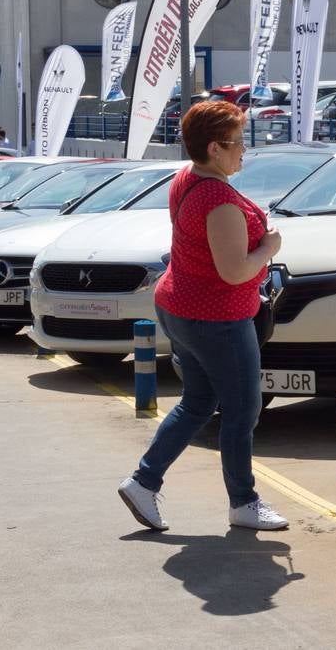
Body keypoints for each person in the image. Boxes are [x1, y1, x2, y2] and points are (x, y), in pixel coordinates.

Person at [118, 101, 288, 531]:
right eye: (237, 143)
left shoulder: (187, 177)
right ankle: (243, 502)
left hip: (180, 305)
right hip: (217, 318)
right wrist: (268, 248)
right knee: (242, 410)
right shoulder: (217, 198)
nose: (244, 151)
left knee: (198, 402)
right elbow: (234, 271)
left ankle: (143, 482)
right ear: (214, 148)